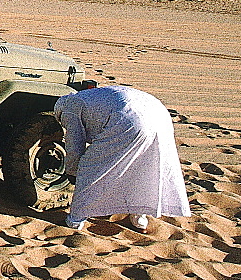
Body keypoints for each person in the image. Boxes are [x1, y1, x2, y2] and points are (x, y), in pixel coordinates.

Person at [54, 84, 191, 231]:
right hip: (158, 114)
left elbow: (75, 143)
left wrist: (72, 171)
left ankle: (75, 220)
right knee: (144, 167)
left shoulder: (68, 107)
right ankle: (139, 220)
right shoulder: (87, 97)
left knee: (90, 169)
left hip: (130, 120)